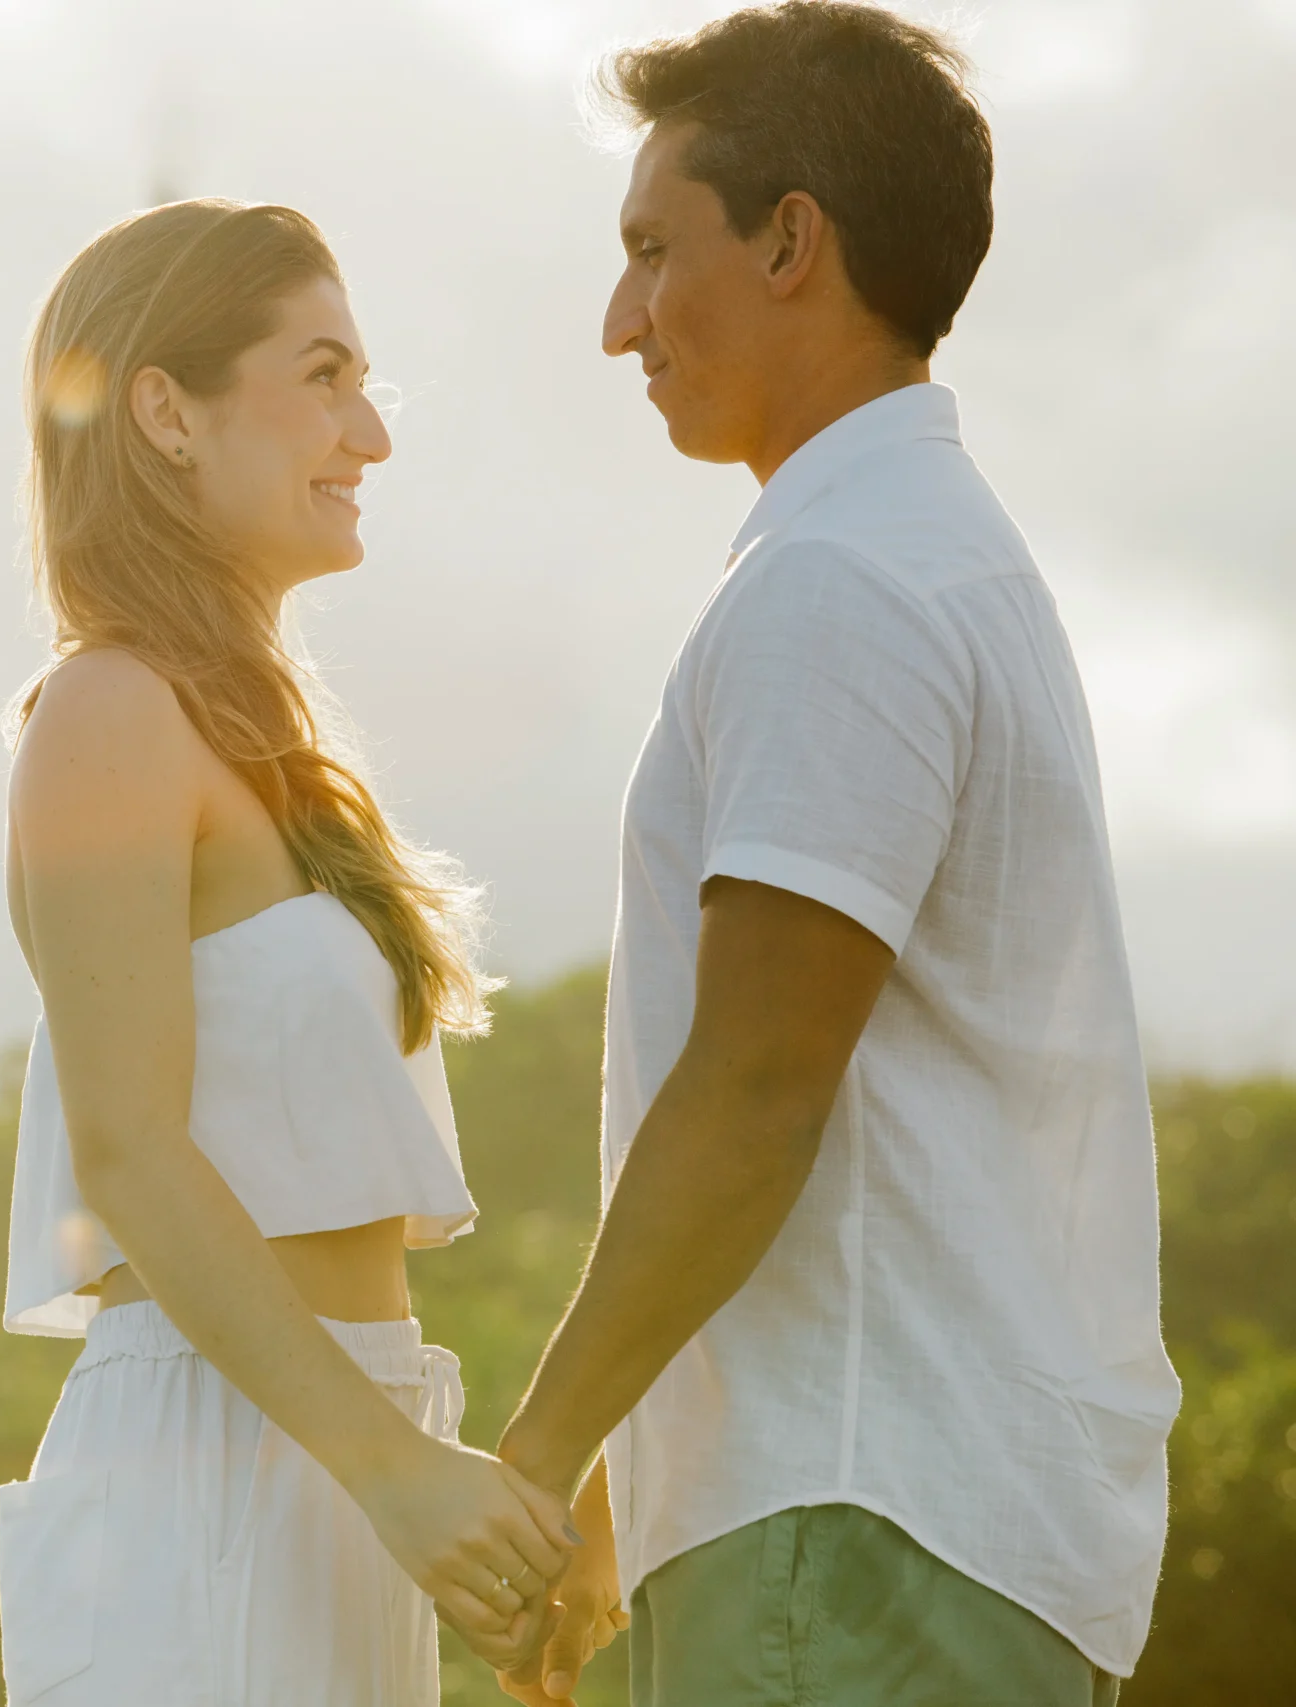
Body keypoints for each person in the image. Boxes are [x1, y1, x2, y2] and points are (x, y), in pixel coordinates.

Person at [489, 7, 1180, 1705]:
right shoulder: (939, 557)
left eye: (655, 250)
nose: (618, 322)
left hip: (842, 1527)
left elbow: (756, 1086)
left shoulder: (840, 584)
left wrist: (538, 1453)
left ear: (793, 238)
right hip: (927, 1535)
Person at [0, 198, 576, 1706]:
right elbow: (127, 1152)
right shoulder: (108, 711)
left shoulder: (271, 743)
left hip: (342, 1439)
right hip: (205, 1461)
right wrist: (391, 1468)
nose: (369, 434)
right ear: (166, 411)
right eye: (323, 377)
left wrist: (410, 1465)